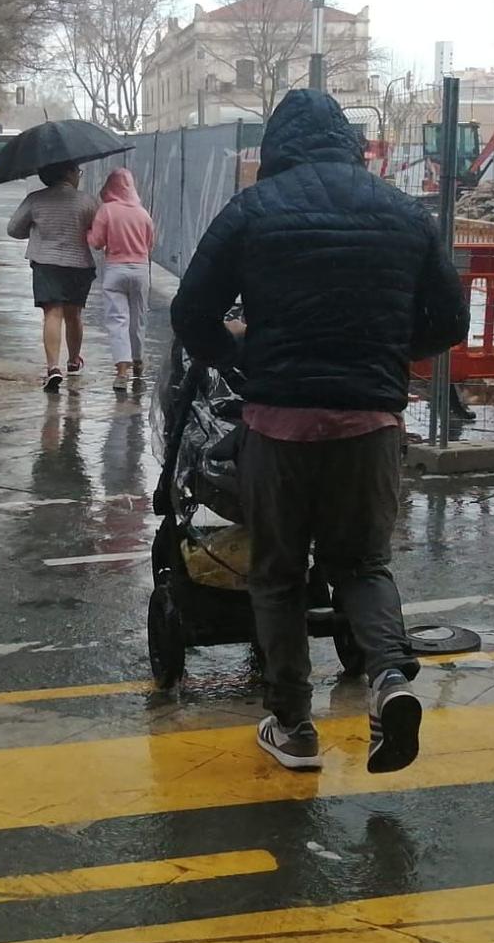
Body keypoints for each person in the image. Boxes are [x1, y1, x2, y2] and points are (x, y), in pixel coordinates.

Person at [170, 89, 468, 776]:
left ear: (277, 147)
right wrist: (390, 352)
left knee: (277, 573)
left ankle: (293, 727)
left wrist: (242, 354)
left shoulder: (252, 211)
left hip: (279, 424)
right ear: (350, 142)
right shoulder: (403, 212)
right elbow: (451, 321)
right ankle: (389, 677)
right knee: (362, 564)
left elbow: (192, 314)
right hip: (369, 422)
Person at [8, 161, 99, 391]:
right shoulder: (87, 201)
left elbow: (14, 229)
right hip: (79, 264)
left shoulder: (35, 199)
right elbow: (99, 231)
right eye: (77, 171)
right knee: (74, 314)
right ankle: (74, 361)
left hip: (46, 264)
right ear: (68, 173)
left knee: (52, 314)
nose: (79, 176)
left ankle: (53, 368)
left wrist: (34, 229)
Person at [86, 167, 155, 397]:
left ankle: (122, 373)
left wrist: (87, 233)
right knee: (138, 318)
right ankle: (138, 362)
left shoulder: (106, 211)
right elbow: (149, 244)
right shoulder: (143, 213)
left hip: (115, 270)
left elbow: (96, 242)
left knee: (118, 320)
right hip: (140, 269)